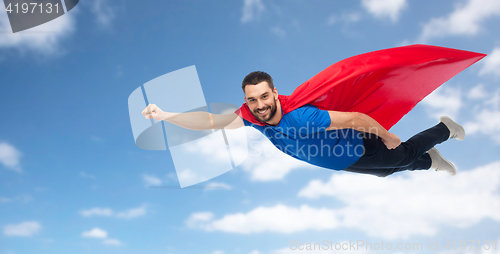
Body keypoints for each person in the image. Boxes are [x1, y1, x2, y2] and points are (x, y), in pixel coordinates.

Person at [142, 71, 464, 177]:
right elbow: (211, 121)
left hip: (356, 146)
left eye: (264, 97)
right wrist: (166, 115)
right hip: (337, 162)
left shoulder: (300, 116)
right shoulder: (253, 118)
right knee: (385, 173)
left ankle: (445, 129)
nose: (260, 105)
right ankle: (430, 160)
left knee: (400, 156)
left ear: (274, 93)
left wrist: (384, 133)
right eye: (253, 100)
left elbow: (354, 118)